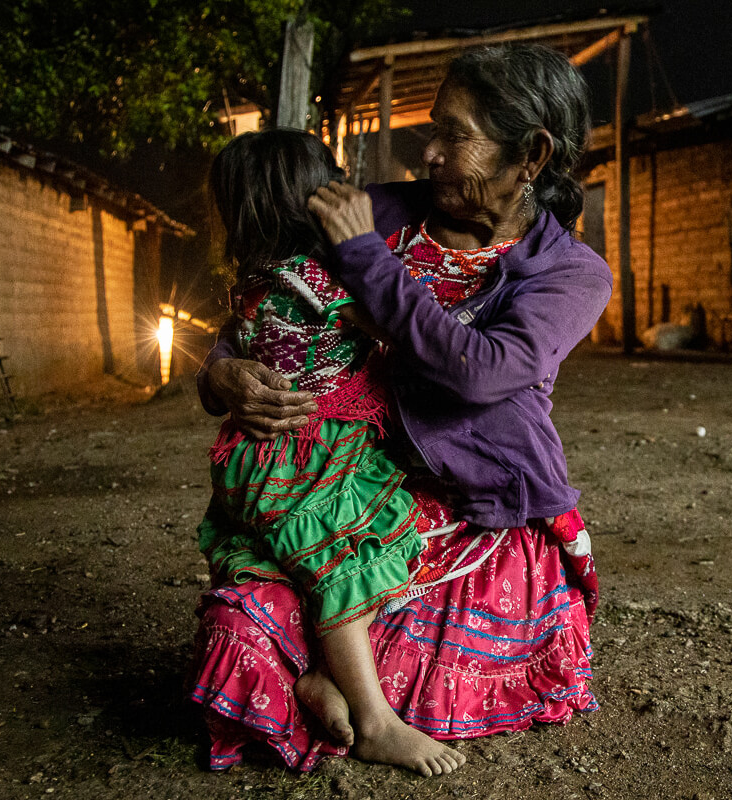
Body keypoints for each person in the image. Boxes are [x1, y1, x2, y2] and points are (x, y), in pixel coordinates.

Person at [188, 43, 613, 773]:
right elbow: (267, 297)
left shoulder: (570, 274)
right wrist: (221, 376)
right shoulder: (376, 211)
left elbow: (477, 375)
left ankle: (349, 686)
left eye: (456, 135)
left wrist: (365, 257)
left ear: (532, 156)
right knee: (243, 626)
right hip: (333, 484)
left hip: (471, 509)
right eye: (432, 130)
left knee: (398, 633)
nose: (431, 153)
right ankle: (340, 679)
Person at [196, 128, 467, 776]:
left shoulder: (254, 285)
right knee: (344, 559)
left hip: (262, 460)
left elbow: (239, 339)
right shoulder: (318, 282)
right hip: (307, 457)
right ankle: (376, 723)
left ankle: (320, 675)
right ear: (308, 202)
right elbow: (402, 327)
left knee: (339, 557)